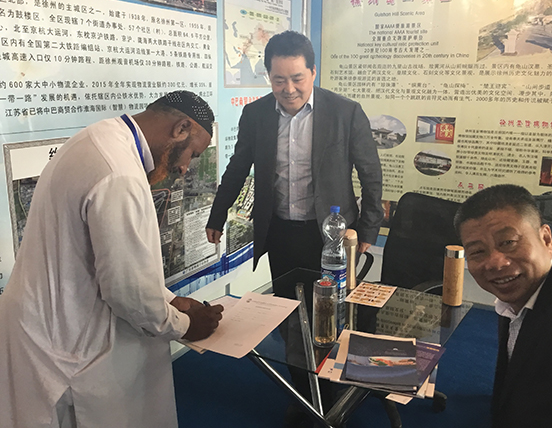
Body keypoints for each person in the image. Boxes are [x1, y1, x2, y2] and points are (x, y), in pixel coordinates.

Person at [0, 91, 225, 428]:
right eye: (192, 154)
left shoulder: (100, 138)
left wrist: (170, 299)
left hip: (47, 323)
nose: (184, 168)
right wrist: (186, 325)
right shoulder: (119, 174)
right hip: (64, 346)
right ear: (181, 128)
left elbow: (109, 258)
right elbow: (127, 291)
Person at [206, 30, 383, 280]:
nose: (289, 89)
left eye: (297, 78)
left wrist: (369, 228)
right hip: (279, 232)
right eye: (279, 80)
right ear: (268, 76)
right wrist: (217, 215)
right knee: (284, 298)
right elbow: (237, 168)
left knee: (331, 302)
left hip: (332, 233)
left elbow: (370, 174)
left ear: (313, 72)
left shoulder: (346, 113)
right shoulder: (256, 114)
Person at [454, 184, 552, 428]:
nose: (496, 263)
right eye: (478, 251)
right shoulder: (520, 296)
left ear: (546, 239)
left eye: (508, 242)